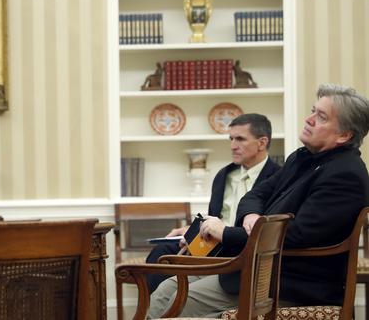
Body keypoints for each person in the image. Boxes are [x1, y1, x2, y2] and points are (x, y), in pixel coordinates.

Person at [148, 84, 369, 318]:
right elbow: (255, 195)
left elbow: (296, 236)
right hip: (258, 267)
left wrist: (226, 233)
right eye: (313, 111)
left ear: (344, 135)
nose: (309, 119)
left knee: (180, 303)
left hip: (290, 282)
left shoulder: (346, 174)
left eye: (321, 117)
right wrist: (252, 216)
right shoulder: (302, 158)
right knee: (164, 291)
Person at [145, 113, 281, 292]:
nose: (233, 146)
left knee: (173, 266)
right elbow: (214, 217)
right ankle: (157, 312)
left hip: (243, 247)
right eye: (231, 139)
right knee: (162, 251)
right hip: (213, 243)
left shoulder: (278, 178)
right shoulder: (224, 175)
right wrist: (192, 231)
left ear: (262, 143)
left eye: (240, 139)